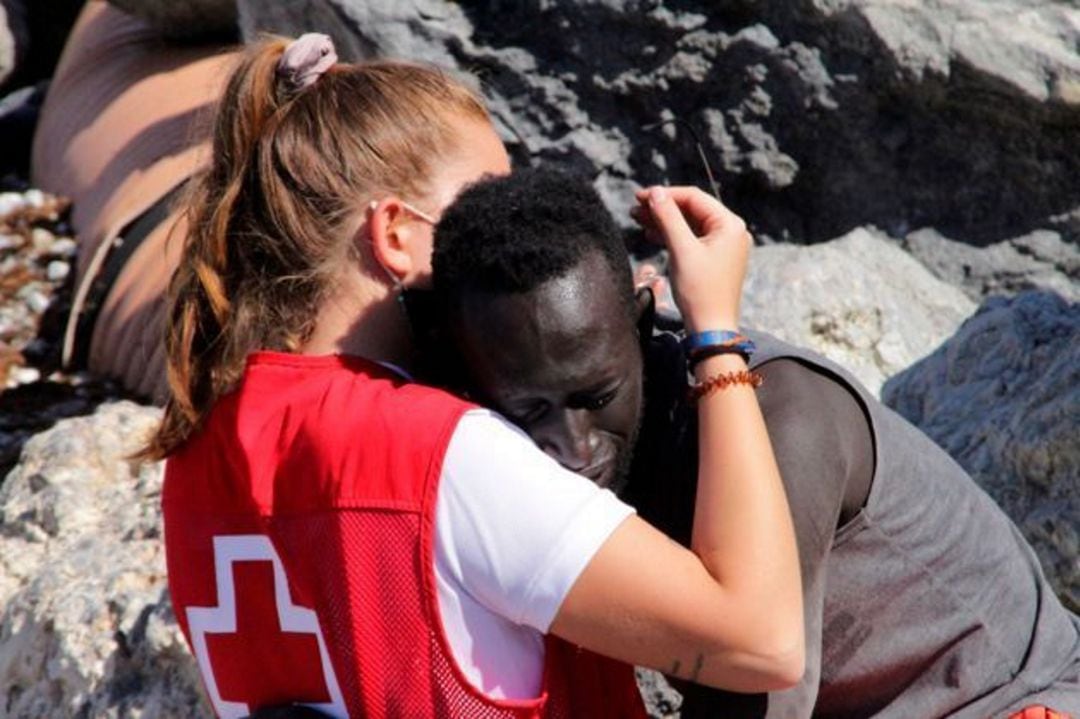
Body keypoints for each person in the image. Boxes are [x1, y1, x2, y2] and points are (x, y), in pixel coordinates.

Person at [146, 33, 805, 718]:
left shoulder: (194, 458)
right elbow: (762, 639)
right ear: (396, 234)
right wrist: (716, 337)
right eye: (483, 202)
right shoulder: (445, 454)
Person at [429, 167, 1080, 718]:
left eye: (597, 399)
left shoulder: (781, 418)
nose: (571, 446)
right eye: (528, 410)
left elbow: (757, 698)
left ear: (641, 323)